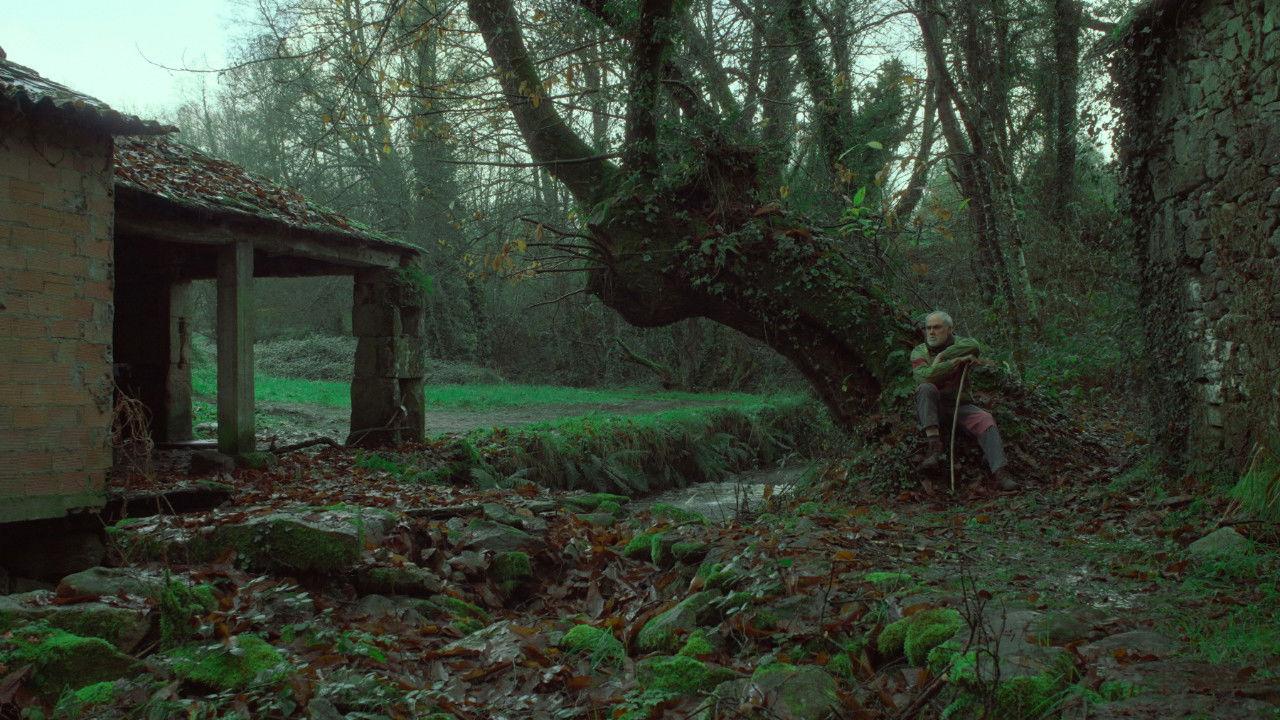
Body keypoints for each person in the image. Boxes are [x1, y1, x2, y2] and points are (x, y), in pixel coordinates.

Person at [910, 310, 1017, 491]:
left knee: (985, 419)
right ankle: (934, 448)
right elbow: (924, 377)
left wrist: (942, 356)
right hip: (934, 407)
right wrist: (954, 362)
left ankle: (1001, 472)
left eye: (936, 327)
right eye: (928, 328)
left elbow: (974, 346)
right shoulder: (919, 351)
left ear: (949, 329)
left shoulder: (962, 343)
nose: (931, 332)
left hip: (961, 404)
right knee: (925, 388)